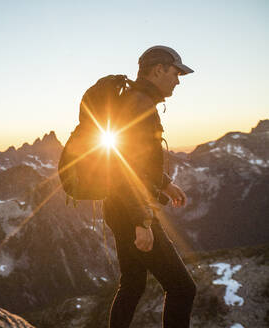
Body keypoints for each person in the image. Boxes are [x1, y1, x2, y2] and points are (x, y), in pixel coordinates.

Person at [103, 46, 197, 328]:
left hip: (119, 207)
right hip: (131, 210)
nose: (178, 80)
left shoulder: (136, 100)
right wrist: (141, 220)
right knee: (182, 288)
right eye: (175, 72)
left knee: (132, 284)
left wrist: (165, 184)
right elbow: (122, 165)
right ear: (158, 70)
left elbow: (136, 159)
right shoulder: (139, 105)